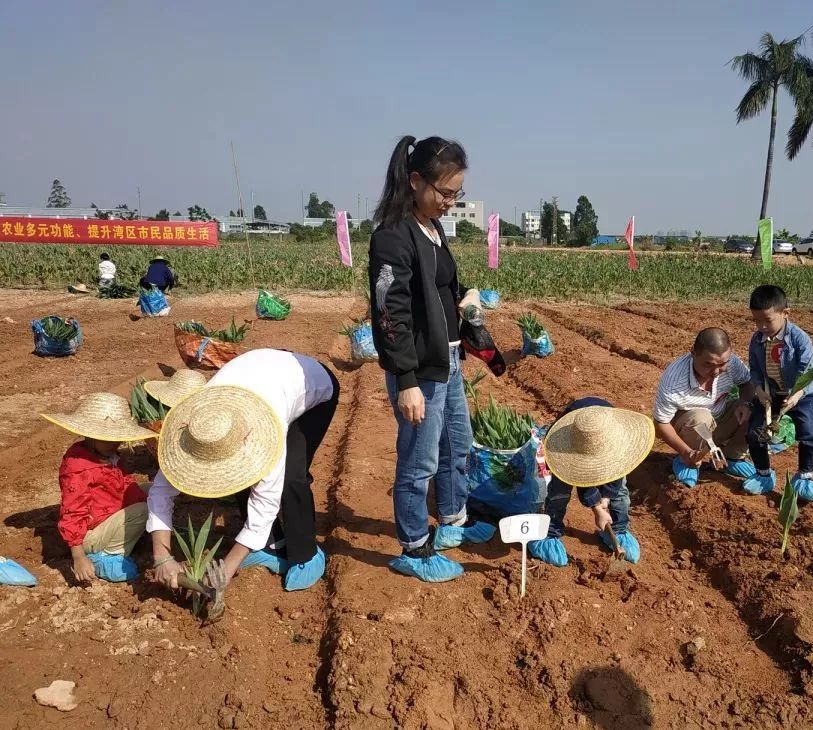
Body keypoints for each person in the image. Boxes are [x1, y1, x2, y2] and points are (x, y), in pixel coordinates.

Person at [368, 135, 495, 583]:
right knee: (418, 460)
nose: (451, 202)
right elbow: (389, 313)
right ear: (415, 180)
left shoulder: (433, 228)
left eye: (457, 194)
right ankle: (414, 548)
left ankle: (454, 522)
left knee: (456, 446)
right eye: (445, 193)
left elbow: (441, 287)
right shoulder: (392, 237)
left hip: (450, 362)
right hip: (420, 371)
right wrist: (405, 379)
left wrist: (467, 299)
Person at [147, 349, 338, 594]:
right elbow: (161, 490)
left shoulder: (265, 431)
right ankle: (269, 544)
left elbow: (267, 499)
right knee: (236, 478)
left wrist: (228, 567)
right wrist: (161, 556)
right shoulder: (195, 428)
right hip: (258, 375)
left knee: (291, 477)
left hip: (311, 385)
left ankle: (306, 553)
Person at [41, 393, 158, 583]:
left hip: (107, 514)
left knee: (153, 492)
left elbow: (126, 484)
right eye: (107, 438)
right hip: (89, 534)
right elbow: (73, 511)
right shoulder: (78, 467)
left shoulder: (107, 455)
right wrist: (78, 556)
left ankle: (127, 534)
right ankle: (107, 555)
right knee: (145, 509)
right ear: (90, 434)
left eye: (117, 438)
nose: (114, 443)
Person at [528, 398, 653, 567]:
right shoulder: (573, 442)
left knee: (620, 491)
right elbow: (581, 478)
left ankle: (618, 529)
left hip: (606, 432)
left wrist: (606, 498)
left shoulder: (617, 442)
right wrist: (597, 508)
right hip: (570, 444)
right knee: (559, 492)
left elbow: (617, 472)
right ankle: (549, 532)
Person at [653, 327, 757, 488]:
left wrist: (745, 403)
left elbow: (747, 383)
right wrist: (686, 452)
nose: (716, 371)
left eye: (722, 364)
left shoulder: (732, 364)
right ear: (693, 353)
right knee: (701, 418)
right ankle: (687, 461)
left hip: (719, 418)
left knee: (757, 407)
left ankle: (733, 457)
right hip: (689, 428)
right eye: (708, 364)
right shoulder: (674, 380)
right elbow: (661, 423)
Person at [744, 285, 813, 501]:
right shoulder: (757, 340)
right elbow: (755, 368)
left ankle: (805, 476)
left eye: (767, 321)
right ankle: (763, 474)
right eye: (756, 321)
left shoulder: (799, 339)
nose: (761, 326)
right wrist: (759, 389)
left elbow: (808, 370)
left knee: (808, 433)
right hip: (770, 393)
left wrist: (797, 394)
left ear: (785, 313)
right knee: (755, 433)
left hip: (799, 394)